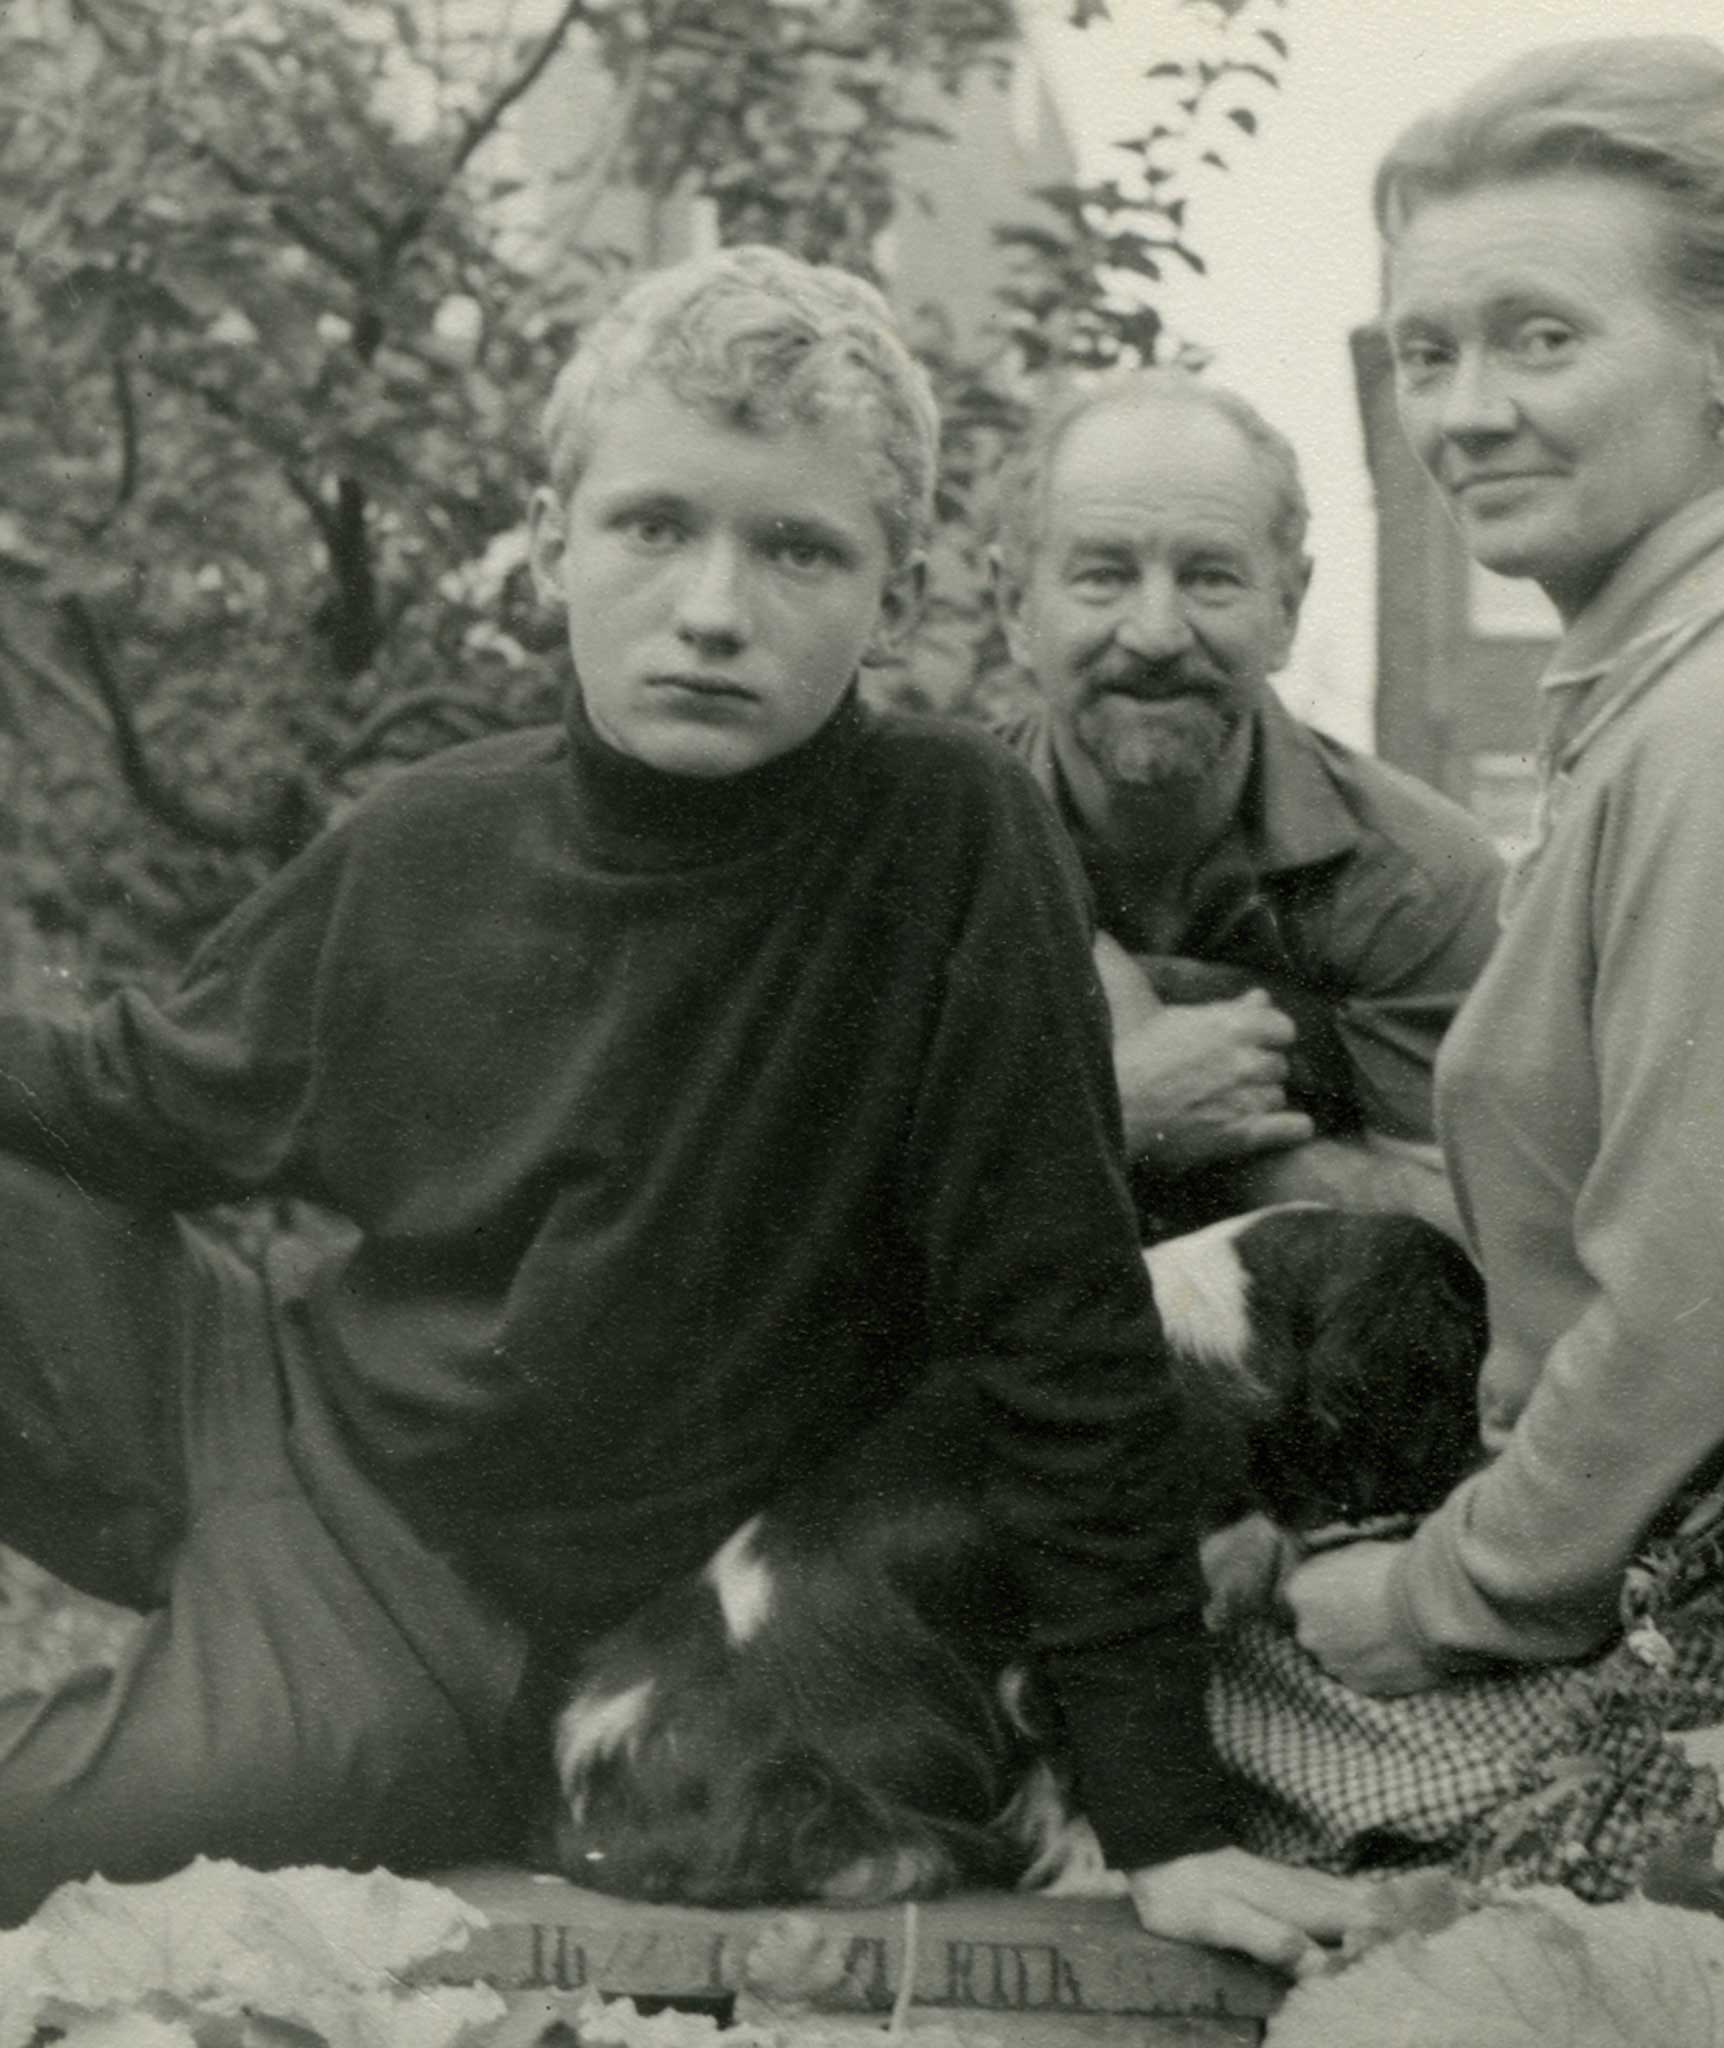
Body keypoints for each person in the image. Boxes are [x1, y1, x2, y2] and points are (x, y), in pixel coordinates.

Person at [0, 245, 1374, 1967]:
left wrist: (1164, 1821)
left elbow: (1065, 1336)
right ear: (555, 530)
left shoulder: (946, 846)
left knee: (43, 1839)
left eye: (798, 545)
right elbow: (127, 1097)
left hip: (446, 1620)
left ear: (893, 583)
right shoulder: (429, 836)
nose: (715, 605)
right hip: (251, 1388)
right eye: (655, 524)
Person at [1212, 34, 1724, 1882]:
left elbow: (1696, 1299)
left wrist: (1439, 1593)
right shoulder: (1679, 682)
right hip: (1716, 1583)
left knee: (1117, 1725)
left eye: (1541, 337)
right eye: (1428, 351)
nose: (1464, 410)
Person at [990, 371, 1502, 1240]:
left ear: (1288, 608)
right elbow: (818, 1202)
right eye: (1104, 576)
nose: (1155, 633)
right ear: (1015, 606)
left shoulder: (1419, 880)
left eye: (1211, 578)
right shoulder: (915, 842)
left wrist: (1220, 1147)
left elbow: (1474, 1237)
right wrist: (1115, 1113)